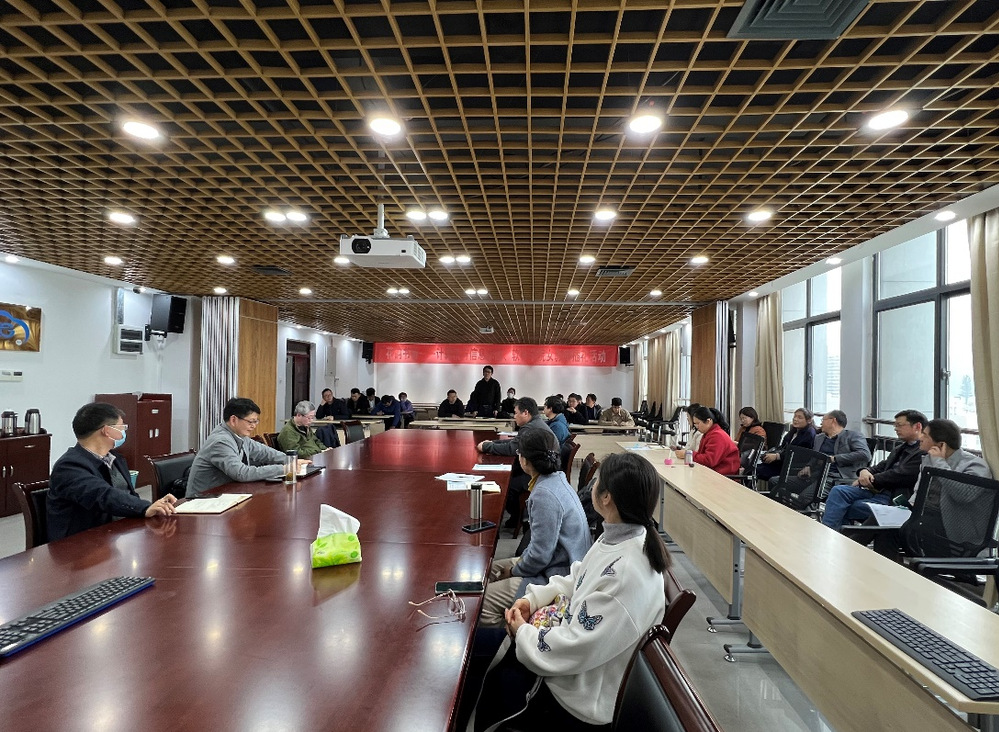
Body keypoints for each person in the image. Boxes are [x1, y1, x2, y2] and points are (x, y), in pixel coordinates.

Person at [475, 452, 668, 730]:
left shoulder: (626, 572)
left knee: (473, 660)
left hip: (575, 696)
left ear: (607, 497)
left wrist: (523, 632)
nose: (592, 486)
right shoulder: (618, 536)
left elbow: (575, 646)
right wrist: (532, 600)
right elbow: (577, 576)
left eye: (597, 481)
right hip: (569, 661)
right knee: (479, 649)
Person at [480, 429, 591, 627]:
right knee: (488, 570)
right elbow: (541, 548)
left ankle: (513, 637)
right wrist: (515, 568)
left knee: (483, 601)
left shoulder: (544, 495)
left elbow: (540, 555)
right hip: (559, 563)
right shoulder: (556, 479)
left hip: (558, 576)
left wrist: (514, 571)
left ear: (524, 460)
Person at [47, 402, 178, 540]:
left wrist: (155, 507)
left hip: (118, 534)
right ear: (107, 431)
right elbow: (102, 494)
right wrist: (144, 508)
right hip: (81, 543)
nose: (124, 432)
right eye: (122, 427)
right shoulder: (68, 466)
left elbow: (129, 495)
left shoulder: (116, 459)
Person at [873, 419, 994, 559]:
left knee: (893, 529)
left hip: (952, 528)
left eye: (925, 435)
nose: (920, 438)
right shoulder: (928, 460)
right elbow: (919, 490)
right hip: (925, 518)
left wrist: (939, 463)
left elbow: (963, 495)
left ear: (941, 445)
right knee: (882, 523)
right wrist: (909, 505)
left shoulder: (974, 465)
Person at [821, 410, 926, 532]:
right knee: (839, 491)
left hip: (895, 497)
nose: (895, 429)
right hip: (879, 491)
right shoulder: (900, 448)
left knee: (845, 506)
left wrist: (870, 480)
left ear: (917, 426)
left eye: (899, 425)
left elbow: (900, 475)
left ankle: (835, 535)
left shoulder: (923, 452)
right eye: (895, 425)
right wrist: (864, 471)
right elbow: (881, 466)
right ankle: (833, 533)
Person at [185, 397, 293, 497]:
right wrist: (284, 469)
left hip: (226, 494)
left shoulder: (240, 436)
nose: (254, 426)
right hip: (203, 500)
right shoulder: (221, 441)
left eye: (256, 422)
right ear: (233, 420)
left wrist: (291, 460)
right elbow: (241, 473)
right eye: (251, 421)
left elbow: (264, 452)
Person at [477, 397, 556, 524]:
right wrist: (492, 443)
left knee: (507, 485)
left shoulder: (530, 428)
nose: (514, 416)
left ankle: (517, 519)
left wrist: (487, 446)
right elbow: (515, 442)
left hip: (541, 472)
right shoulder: (534, 423)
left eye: (516, 413)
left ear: (525, 413)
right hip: (542, 468)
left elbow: (512, 449)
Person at [810, 410, 871, 488]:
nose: (821, 423)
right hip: (817, 475)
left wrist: (835, 458)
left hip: (838, 477)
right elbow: (814, 456)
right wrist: (808, 466)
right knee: (793, 483)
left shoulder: (853, 436)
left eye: (823, 420)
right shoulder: (819, 438)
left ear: (833, 420)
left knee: (807, 494)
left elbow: (865, 454)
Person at [757, 407, 816, 482]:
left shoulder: (809, 434)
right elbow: (783, 447)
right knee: (752, 467)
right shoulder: (793, 431)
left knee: (754, 470)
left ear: (809, 420)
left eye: (800, 417)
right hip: (781, 462)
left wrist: (777, 456)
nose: (795, 419)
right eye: (795, 416)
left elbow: (798, 454)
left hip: (790, 468)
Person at [676, 406, 740, 474]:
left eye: (698, 423)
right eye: (695, 424)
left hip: (723, 474)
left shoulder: (717, 435)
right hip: (714, 471)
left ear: (708, 421)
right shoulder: (709, 433)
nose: (696, 427)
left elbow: (709, 460)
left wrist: (688, 454)